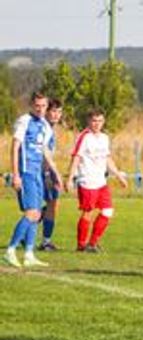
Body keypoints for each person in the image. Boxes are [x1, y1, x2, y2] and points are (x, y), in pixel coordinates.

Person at [6, 91, 62, 268]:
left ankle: (29, 254)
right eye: (37, 106)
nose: (40, 109)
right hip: (26, 172)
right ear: (32, 105)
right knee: (31, 213)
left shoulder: (45, 125)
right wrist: (16, 174)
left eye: (43, 106)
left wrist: (56, 173)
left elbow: (45, 151)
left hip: (38, 173)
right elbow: (15, 148)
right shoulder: (24, 121)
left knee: (37, 213)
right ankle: (10, 250)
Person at [68, 109, 130, 253]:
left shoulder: (104, 138)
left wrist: (119, 175)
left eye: (100, 121)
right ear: (89, 121)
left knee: (108, 211)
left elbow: (107, 158)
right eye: (94, 121)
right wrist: (70, 178)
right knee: (87, 213)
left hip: (101, 182)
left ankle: (93, 243)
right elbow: (76, 157)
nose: (97, 124)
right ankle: (81, 245)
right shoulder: (84, 137)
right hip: (87, 181)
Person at [38, 99, 64, 252]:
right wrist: (48, 174)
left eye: (59, 112)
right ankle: (45, 241)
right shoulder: (43, 127)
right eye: (53, 111)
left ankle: (44, 240)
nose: (56, 115)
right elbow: (42, 153)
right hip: (41, 171)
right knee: (44, 206)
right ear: (46, 111)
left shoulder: (50, 128)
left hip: (47, 171)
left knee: (52, 204)